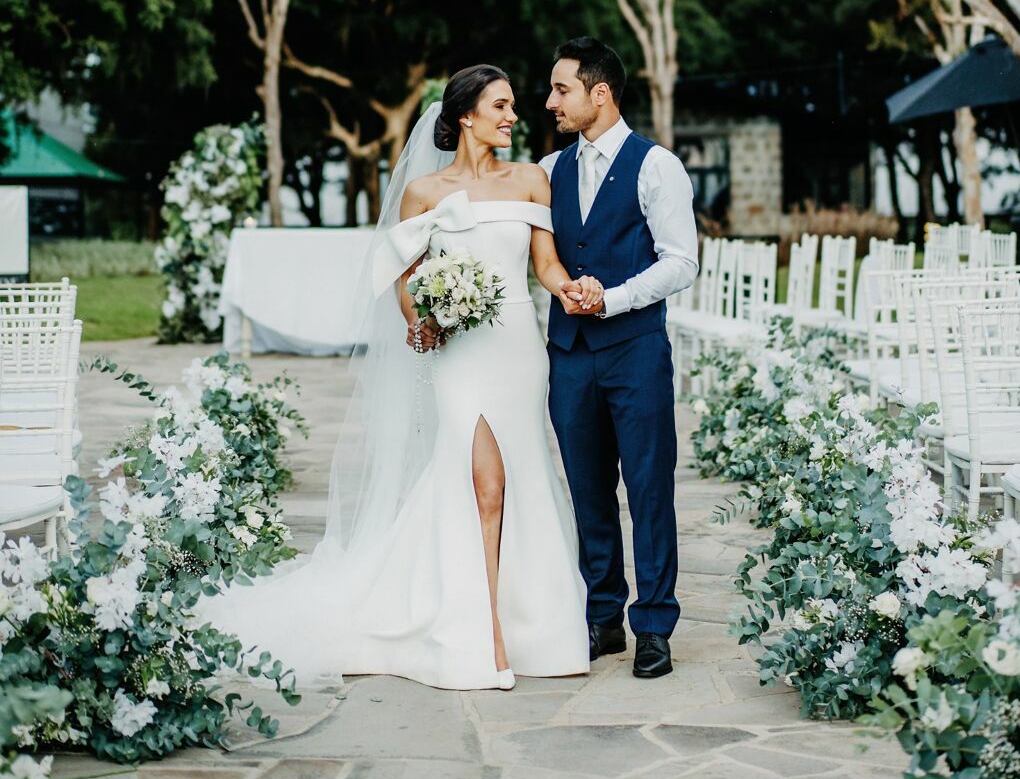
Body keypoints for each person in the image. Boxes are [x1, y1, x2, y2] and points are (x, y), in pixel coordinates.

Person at [203, 65, 590, 691]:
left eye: (514, 106)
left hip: (519, 347)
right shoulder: (426, 193)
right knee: (482, 483)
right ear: (466, 115)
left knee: (522, 476)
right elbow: (405, 281)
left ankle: (533, 628)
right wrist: (424, 319)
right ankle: (483, 628)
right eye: (501, 105)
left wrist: (575, 290)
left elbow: (545, 265)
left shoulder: (531, 180)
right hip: (460, 353)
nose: (513, 116)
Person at [542, 37, 698, 679]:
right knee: (587, 490)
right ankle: (602, 617)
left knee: (648, 487)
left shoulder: (657, 166)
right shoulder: (548, 171)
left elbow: (681, 262)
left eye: (561, 90)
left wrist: (612, 299)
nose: (549, 101)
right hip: (569, 355)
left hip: (634, 351)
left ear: (598, 93)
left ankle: (654, 624)